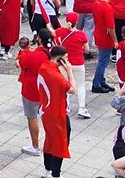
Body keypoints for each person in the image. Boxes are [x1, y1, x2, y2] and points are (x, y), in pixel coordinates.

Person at [37, 45, 76, 178]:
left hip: (46, 110)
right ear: (60, 59)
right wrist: (70, 71)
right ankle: (56, 174)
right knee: (60, 143)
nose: (67, 61)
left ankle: (47, 169)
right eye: (65, 59)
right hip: (57, 113)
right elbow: (72, 89)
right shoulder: (56, 76)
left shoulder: (44, 67)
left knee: (50, 140)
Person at [17, 28, 53, 156]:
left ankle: (35, 146)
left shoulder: (33, 55)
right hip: (47, 91)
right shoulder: (52, 54)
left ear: (39, 39)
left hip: (32, 91)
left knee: (32, 118)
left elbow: (21, 63)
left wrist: (23, 51)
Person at [54, 12, 90, 118]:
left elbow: (54, 36)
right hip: (78, 63)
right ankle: (81, 108)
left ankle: (66, 106)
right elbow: (87, 49)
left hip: (65, 63)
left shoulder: (60, 31)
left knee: (65, 85)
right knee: (80, 85)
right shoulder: (81, 34)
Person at [91, 0, 117, 93]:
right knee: (103, 62)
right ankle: (96, 83)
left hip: (98, 33)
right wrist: (115, 40)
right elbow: (111, 27)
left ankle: (101, 81)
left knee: (102, 59)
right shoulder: (107, 7)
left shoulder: (96, 3)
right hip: (105, 37)